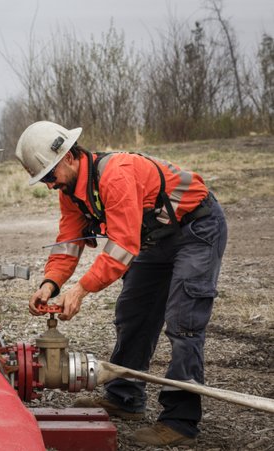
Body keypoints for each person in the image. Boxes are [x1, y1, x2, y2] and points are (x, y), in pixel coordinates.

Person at [16, 121, 227, 447]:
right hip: (155, 238)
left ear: (70, 157)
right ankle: (125, 399)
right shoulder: (70, 191)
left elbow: (122, 246)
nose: (48, 185)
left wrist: (82, 288)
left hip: (196, 230)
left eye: (49, 176)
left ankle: (180, 421)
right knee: (133, 315)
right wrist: (50, 283)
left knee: (184, 322)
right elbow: (68, 243)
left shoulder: (116, 174)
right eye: (43, 179)